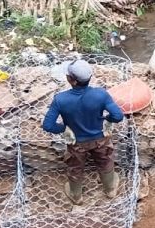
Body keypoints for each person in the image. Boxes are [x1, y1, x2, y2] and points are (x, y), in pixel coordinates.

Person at [42, 59, 125, 204]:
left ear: (72, 80)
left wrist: (64, 128)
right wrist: (108, 120)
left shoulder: (60, 99)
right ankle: (110, 189)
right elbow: (118, 116)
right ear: (89, 78)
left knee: (75, 166)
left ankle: (76, 195)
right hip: (100, 139)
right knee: (105, 160)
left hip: (76, 142)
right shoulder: (101, 94)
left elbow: (48, 125)